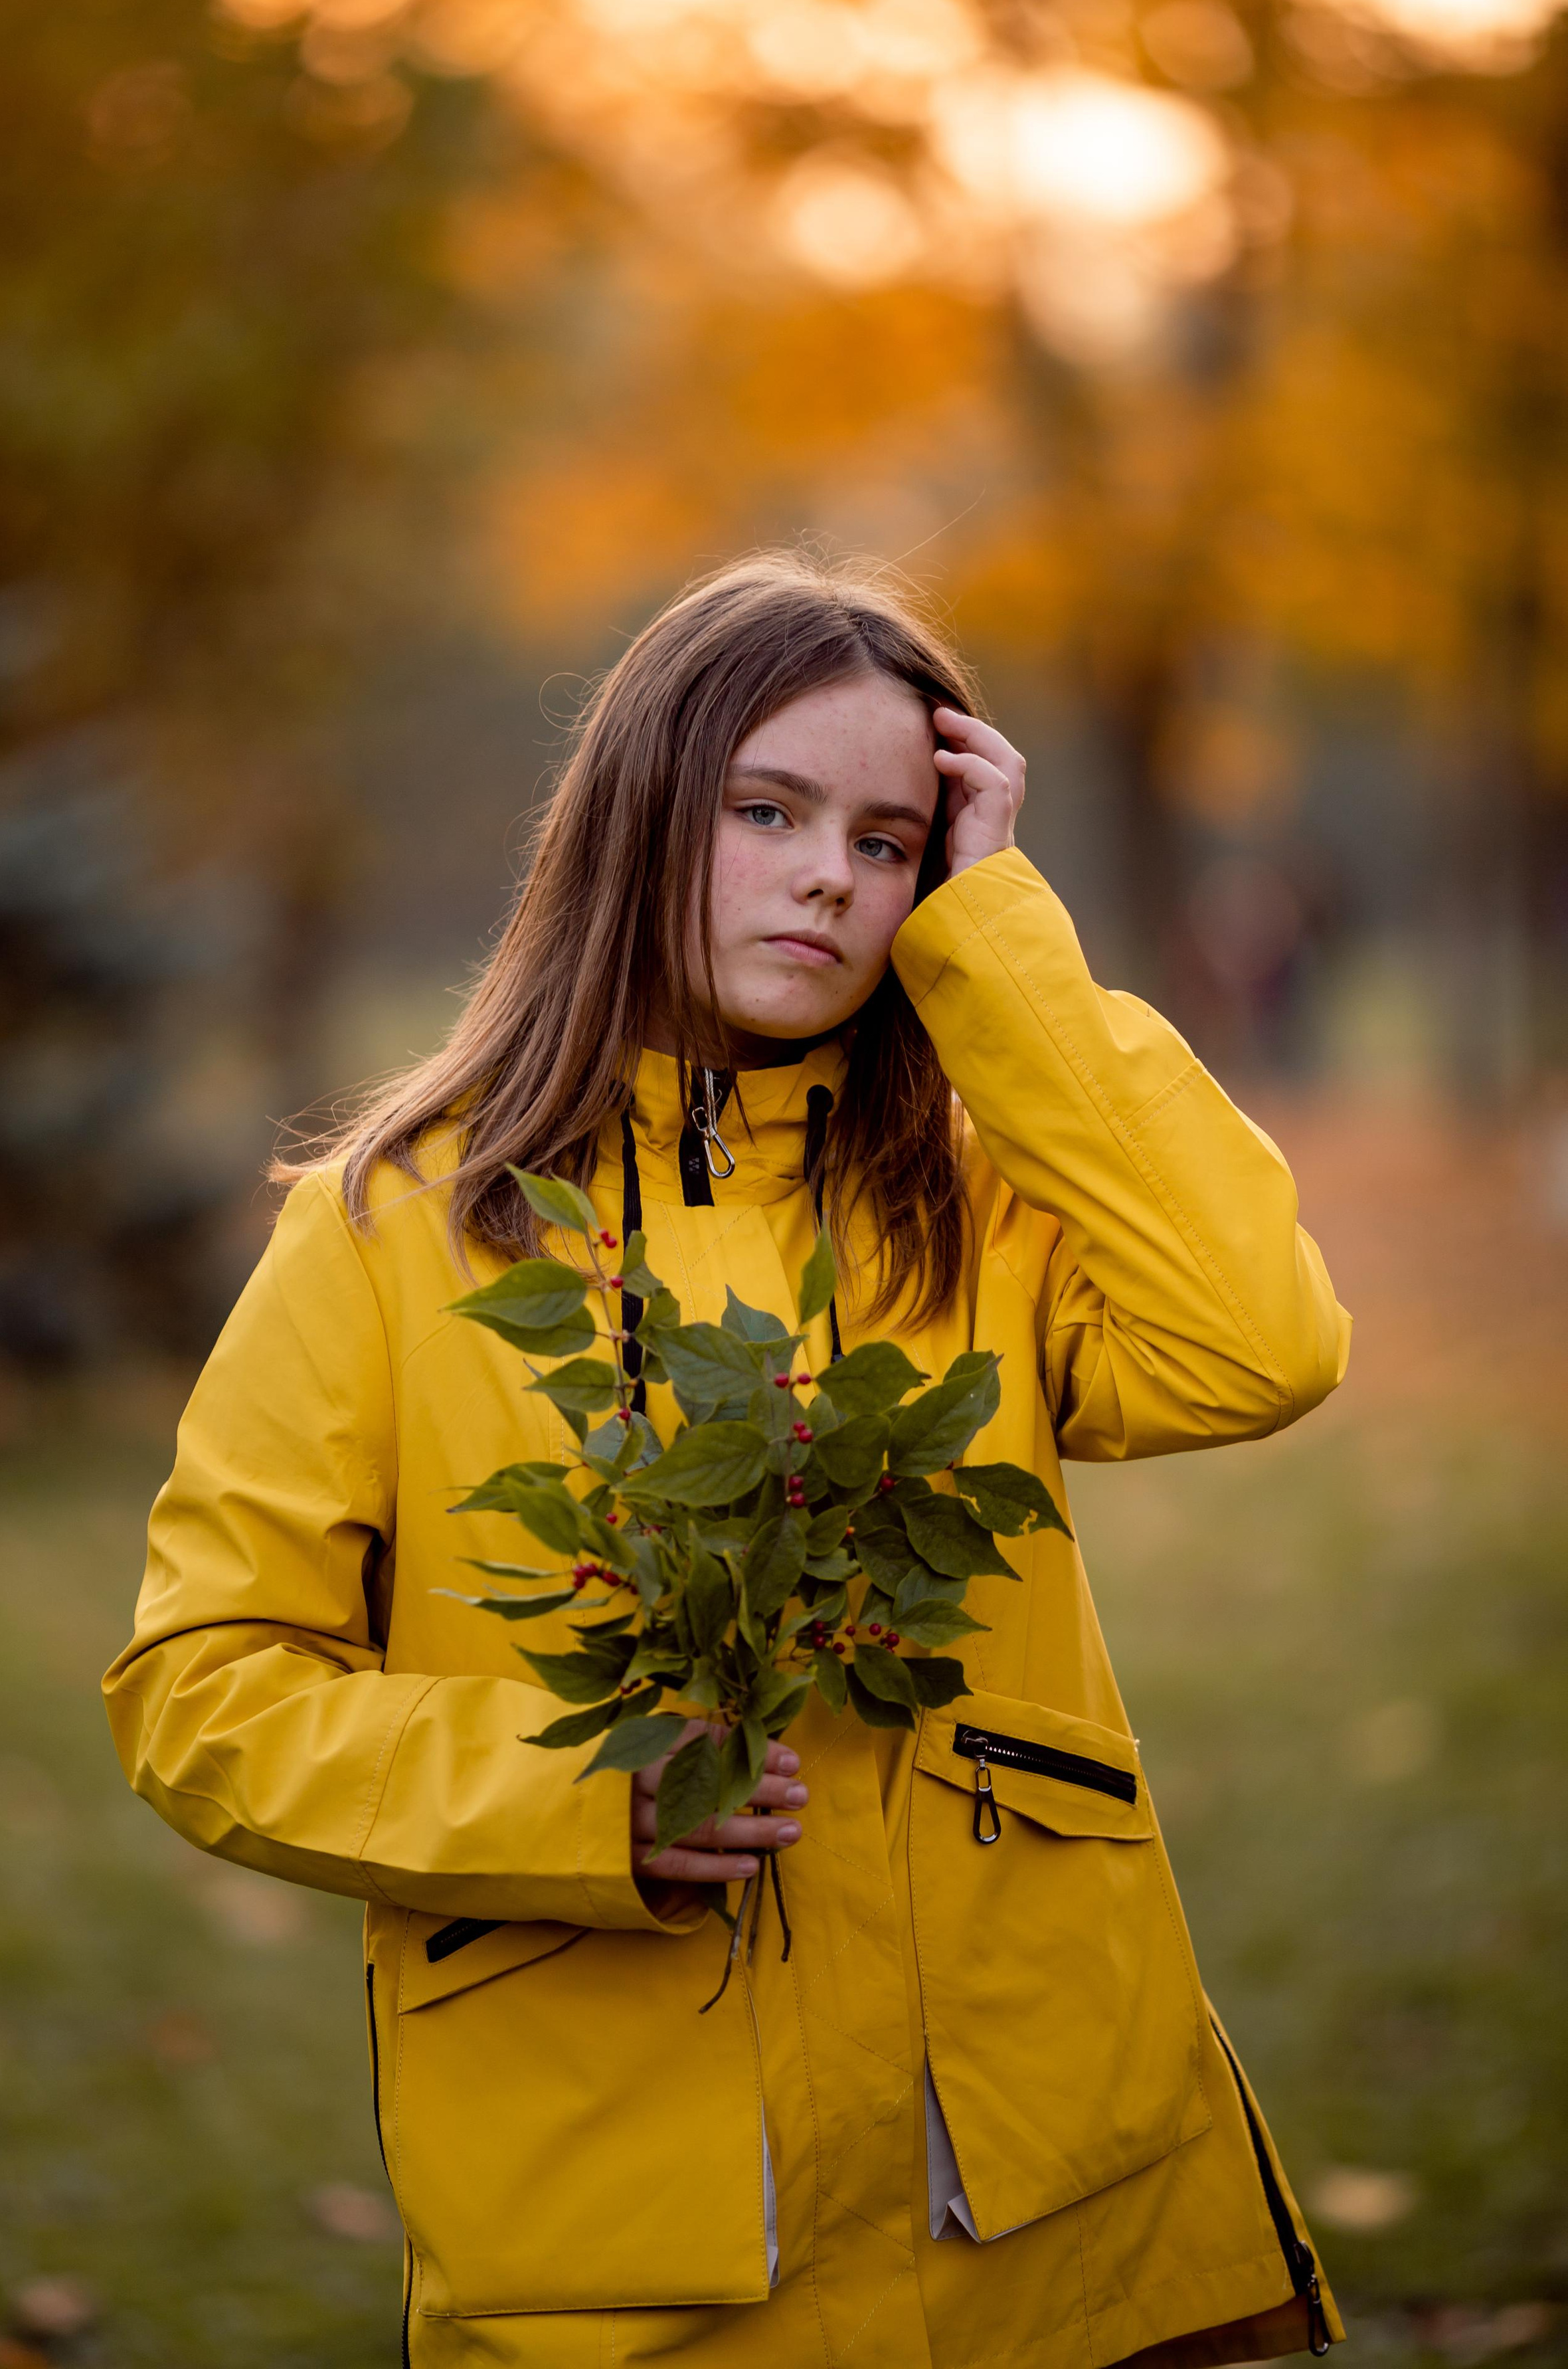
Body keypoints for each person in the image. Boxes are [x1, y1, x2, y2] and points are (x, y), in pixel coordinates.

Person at [104, 552, 1352, 2369]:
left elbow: (1261, 1344)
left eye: (890, 835)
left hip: (1043, 2189)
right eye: (767, 811)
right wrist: (567, 1799)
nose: (831, 874)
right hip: (634, 2237)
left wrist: (1000, 944)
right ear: (639, 816)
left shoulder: (985, 1198)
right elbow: (196, 1692)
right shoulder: (399, 1227)